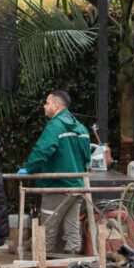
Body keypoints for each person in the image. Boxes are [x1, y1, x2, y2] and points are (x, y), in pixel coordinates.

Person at [20, 90, 91, 255]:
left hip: (57, 185)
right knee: (71, 225)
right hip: (77, 184)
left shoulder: (55, 125)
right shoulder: (80, 127)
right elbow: (87, 157)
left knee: (48, 226)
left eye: (46, 103)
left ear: (56, 105)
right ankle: (72, 258)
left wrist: (29, 168)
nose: (44, 106)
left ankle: (44, 259)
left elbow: (43, 150)